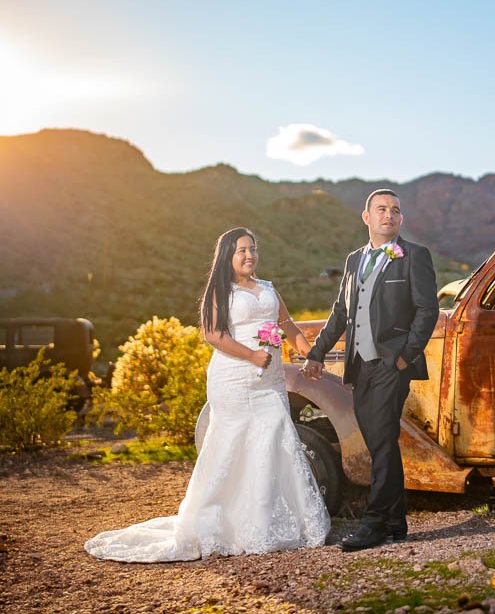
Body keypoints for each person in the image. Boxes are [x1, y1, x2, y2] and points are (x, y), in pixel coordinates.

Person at [85, 228, 330, 562]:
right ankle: (220, 521)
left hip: (270, 380)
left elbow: (288, 326)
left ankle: (266, 522)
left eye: (253, 249)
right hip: (234, 375)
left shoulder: (269, 289)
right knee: (232, 442)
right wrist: (252, 355)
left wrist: (309, 354)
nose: (249, 255)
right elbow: (213, 335)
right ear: (227, 255)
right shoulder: (220, 291)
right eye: (241, 250)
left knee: (274, 437)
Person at [303, 190, 438, 551]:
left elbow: (428, 311)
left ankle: (375, 523)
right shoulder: (352, 261)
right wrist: (317, 352)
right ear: (366, 217)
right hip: (359, 365)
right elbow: (340, 313)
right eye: (381, 209)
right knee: (381, 443)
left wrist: (403, 357)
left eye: (395, 210)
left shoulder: (414, 257)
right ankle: (396, 522)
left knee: (380, 441)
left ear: (401, 219)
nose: (389, 215)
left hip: (391, 365)